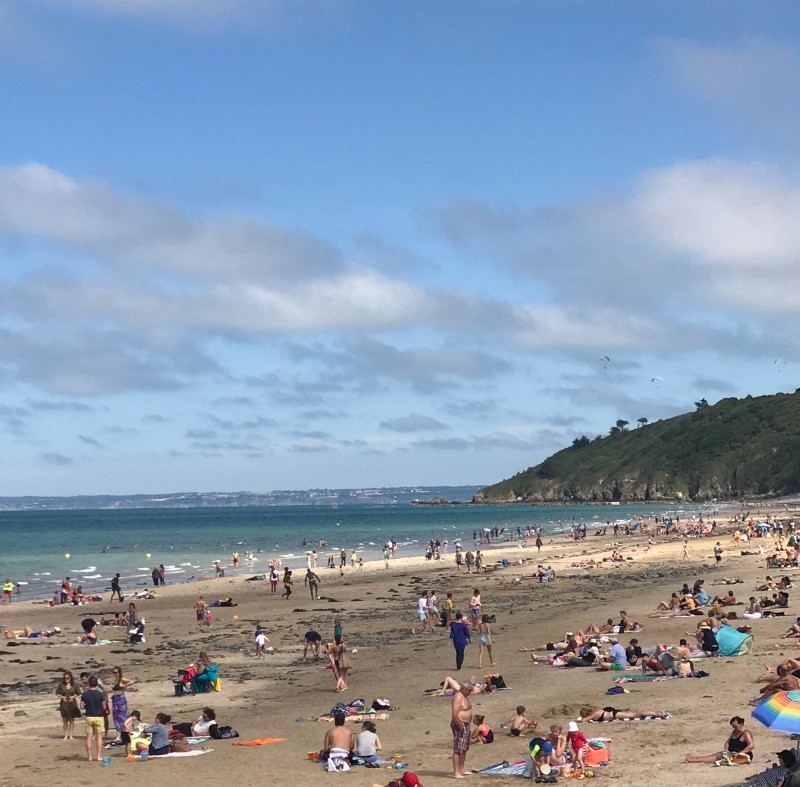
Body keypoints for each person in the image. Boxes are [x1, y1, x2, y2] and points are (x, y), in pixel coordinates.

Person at [685, 716, 754, 764]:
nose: (734, 728)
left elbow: (751, 745)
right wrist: (726, 751)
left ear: (741, 724)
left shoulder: (746, 733)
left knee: (717, 756)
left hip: (743, 756)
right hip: (732, 753)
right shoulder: (735, 732)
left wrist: (740, 753)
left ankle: (693, 760)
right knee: (718, 754)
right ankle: (696, 757)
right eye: (733, 727)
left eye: (736, 726)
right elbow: (727, 743)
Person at [80, 675, 107, 762]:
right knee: (99, 737)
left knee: (88, 737)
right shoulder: (100, 694)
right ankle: (98, 756)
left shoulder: (85, 694)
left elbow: (81, 706)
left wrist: (87, 706)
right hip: (98, 716)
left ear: (88, 683)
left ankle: (90, 757)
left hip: (89, 716)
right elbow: (104, 707)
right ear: (96, 684)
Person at [451, 681, 473, 778]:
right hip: (460, 724)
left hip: (466, 724)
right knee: (458, 749)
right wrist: (460, 726)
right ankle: (456, 772)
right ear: (464, 689)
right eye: (469, 690)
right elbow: (454, 714)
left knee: (464, 748)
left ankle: (461, 769)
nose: (471, 692)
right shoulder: (458, 697)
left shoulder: (464, 696)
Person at [110, 666, 135, 743]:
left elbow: (132, 682)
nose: (114, 674)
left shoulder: (122, 679)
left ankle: (128, 731)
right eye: (113, 673)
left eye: (116, 673)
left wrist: (124, 686)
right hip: (115, 699)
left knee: (123, 715)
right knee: (116, 717)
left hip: (120, 699)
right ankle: (119, 734)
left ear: (119, 673)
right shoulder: (115, 680)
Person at [56, 670, 81, 740]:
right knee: (65, 720)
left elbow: (79, 693)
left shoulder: (75, 684)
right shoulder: (61, 684)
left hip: (72, 704)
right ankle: (65, 735)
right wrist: (62, 697)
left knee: (71, 720)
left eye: (68, 678)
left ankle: (71, 735)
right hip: (64, 704)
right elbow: (57, 693)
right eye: (65, 678)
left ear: (70, 678)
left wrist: (73, 697)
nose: (66, 679)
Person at [579, 706, 668, 722]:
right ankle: (656, 713)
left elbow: (583, 720)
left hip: (614, 715)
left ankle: (657, 713)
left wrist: (580, 719)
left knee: (636, 715)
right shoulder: (596, 711)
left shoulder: (593, 715)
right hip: (614, 713)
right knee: (635, 714)